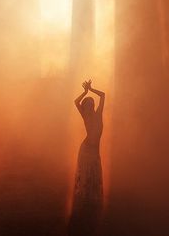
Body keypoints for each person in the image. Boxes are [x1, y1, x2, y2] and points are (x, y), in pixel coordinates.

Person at [68, 80, 105, 236]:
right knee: (86, 174)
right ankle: (84, 201)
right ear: (86, 108)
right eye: (87, 105)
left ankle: (90, 201)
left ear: (93, 105)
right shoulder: (86, 116)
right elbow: (76, 102)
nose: (89, 107)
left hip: (93, 150)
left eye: (90, 104)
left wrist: (90, 89)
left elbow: (103, 95)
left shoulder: (98, 114)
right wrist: (84, 92)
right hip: (86, 149)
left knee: (93, 173)